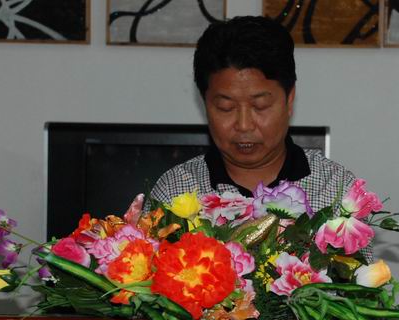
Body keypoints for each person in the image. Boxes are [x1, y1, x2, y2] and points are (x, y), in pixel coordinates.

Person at [150, 16, 360, 215]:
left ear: (289, 99)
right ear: (205, 102)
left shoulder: (337, 191)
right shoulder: (175, 194)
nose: (244, 125)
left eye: (260, 106)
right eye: (226, 107)